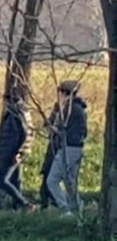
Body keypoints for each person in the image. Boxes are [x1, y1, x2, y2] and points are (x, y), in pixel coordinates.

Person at [45, 81, 87, 216]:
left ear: (64, 93)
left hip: (68, 148)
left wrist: (53, 128)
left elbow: (62, 130)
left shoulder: (70, 109)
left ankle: (65, 208)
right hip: (77, 148)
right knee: (70, 181)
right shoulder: (80, 109)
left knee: (52, 180)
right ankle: (77, 208)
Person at [0, 87, 32, 210]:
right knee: (16, 180)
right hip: (19, 151)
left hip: (11, 152)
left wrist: (17, 152)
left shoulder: (15, 114)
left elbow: (24, 133)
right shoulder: (24, 111)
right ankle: (17, 207)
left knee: (2, 180)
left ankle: (25, 204)